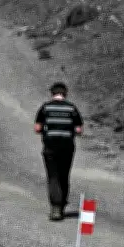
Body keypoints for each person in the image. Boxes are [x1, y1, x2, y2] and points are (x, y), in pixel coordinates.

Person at [34, 82, 84, 221]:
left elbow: (37, 128)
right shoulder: (72, 108)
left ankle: (56, 207)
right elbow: (79, 129)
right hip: (67, 147)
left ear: (52, 93)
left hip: (50, 147)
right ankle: (61, 205)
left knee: (53, 176)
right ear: (65, 93)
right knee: (64, 175)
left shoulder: (45, 108)